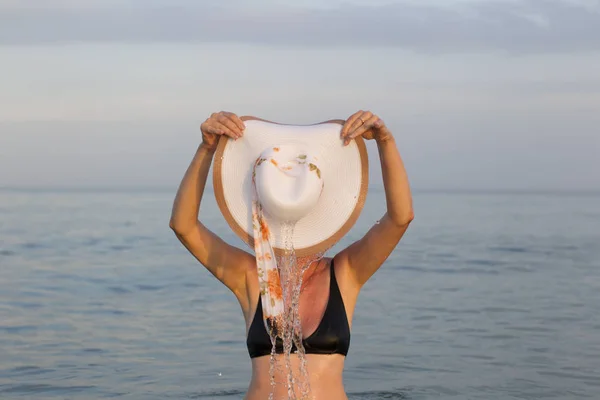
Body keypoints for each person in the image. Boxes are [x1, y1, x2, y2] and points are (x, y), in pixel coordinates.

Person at [169, 110, 414, 400]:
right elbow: (183, 226)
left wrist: (385, 141)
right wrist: (206, 148)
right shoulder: (251, 276)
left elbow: (400, 218)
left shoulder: (345, 272)